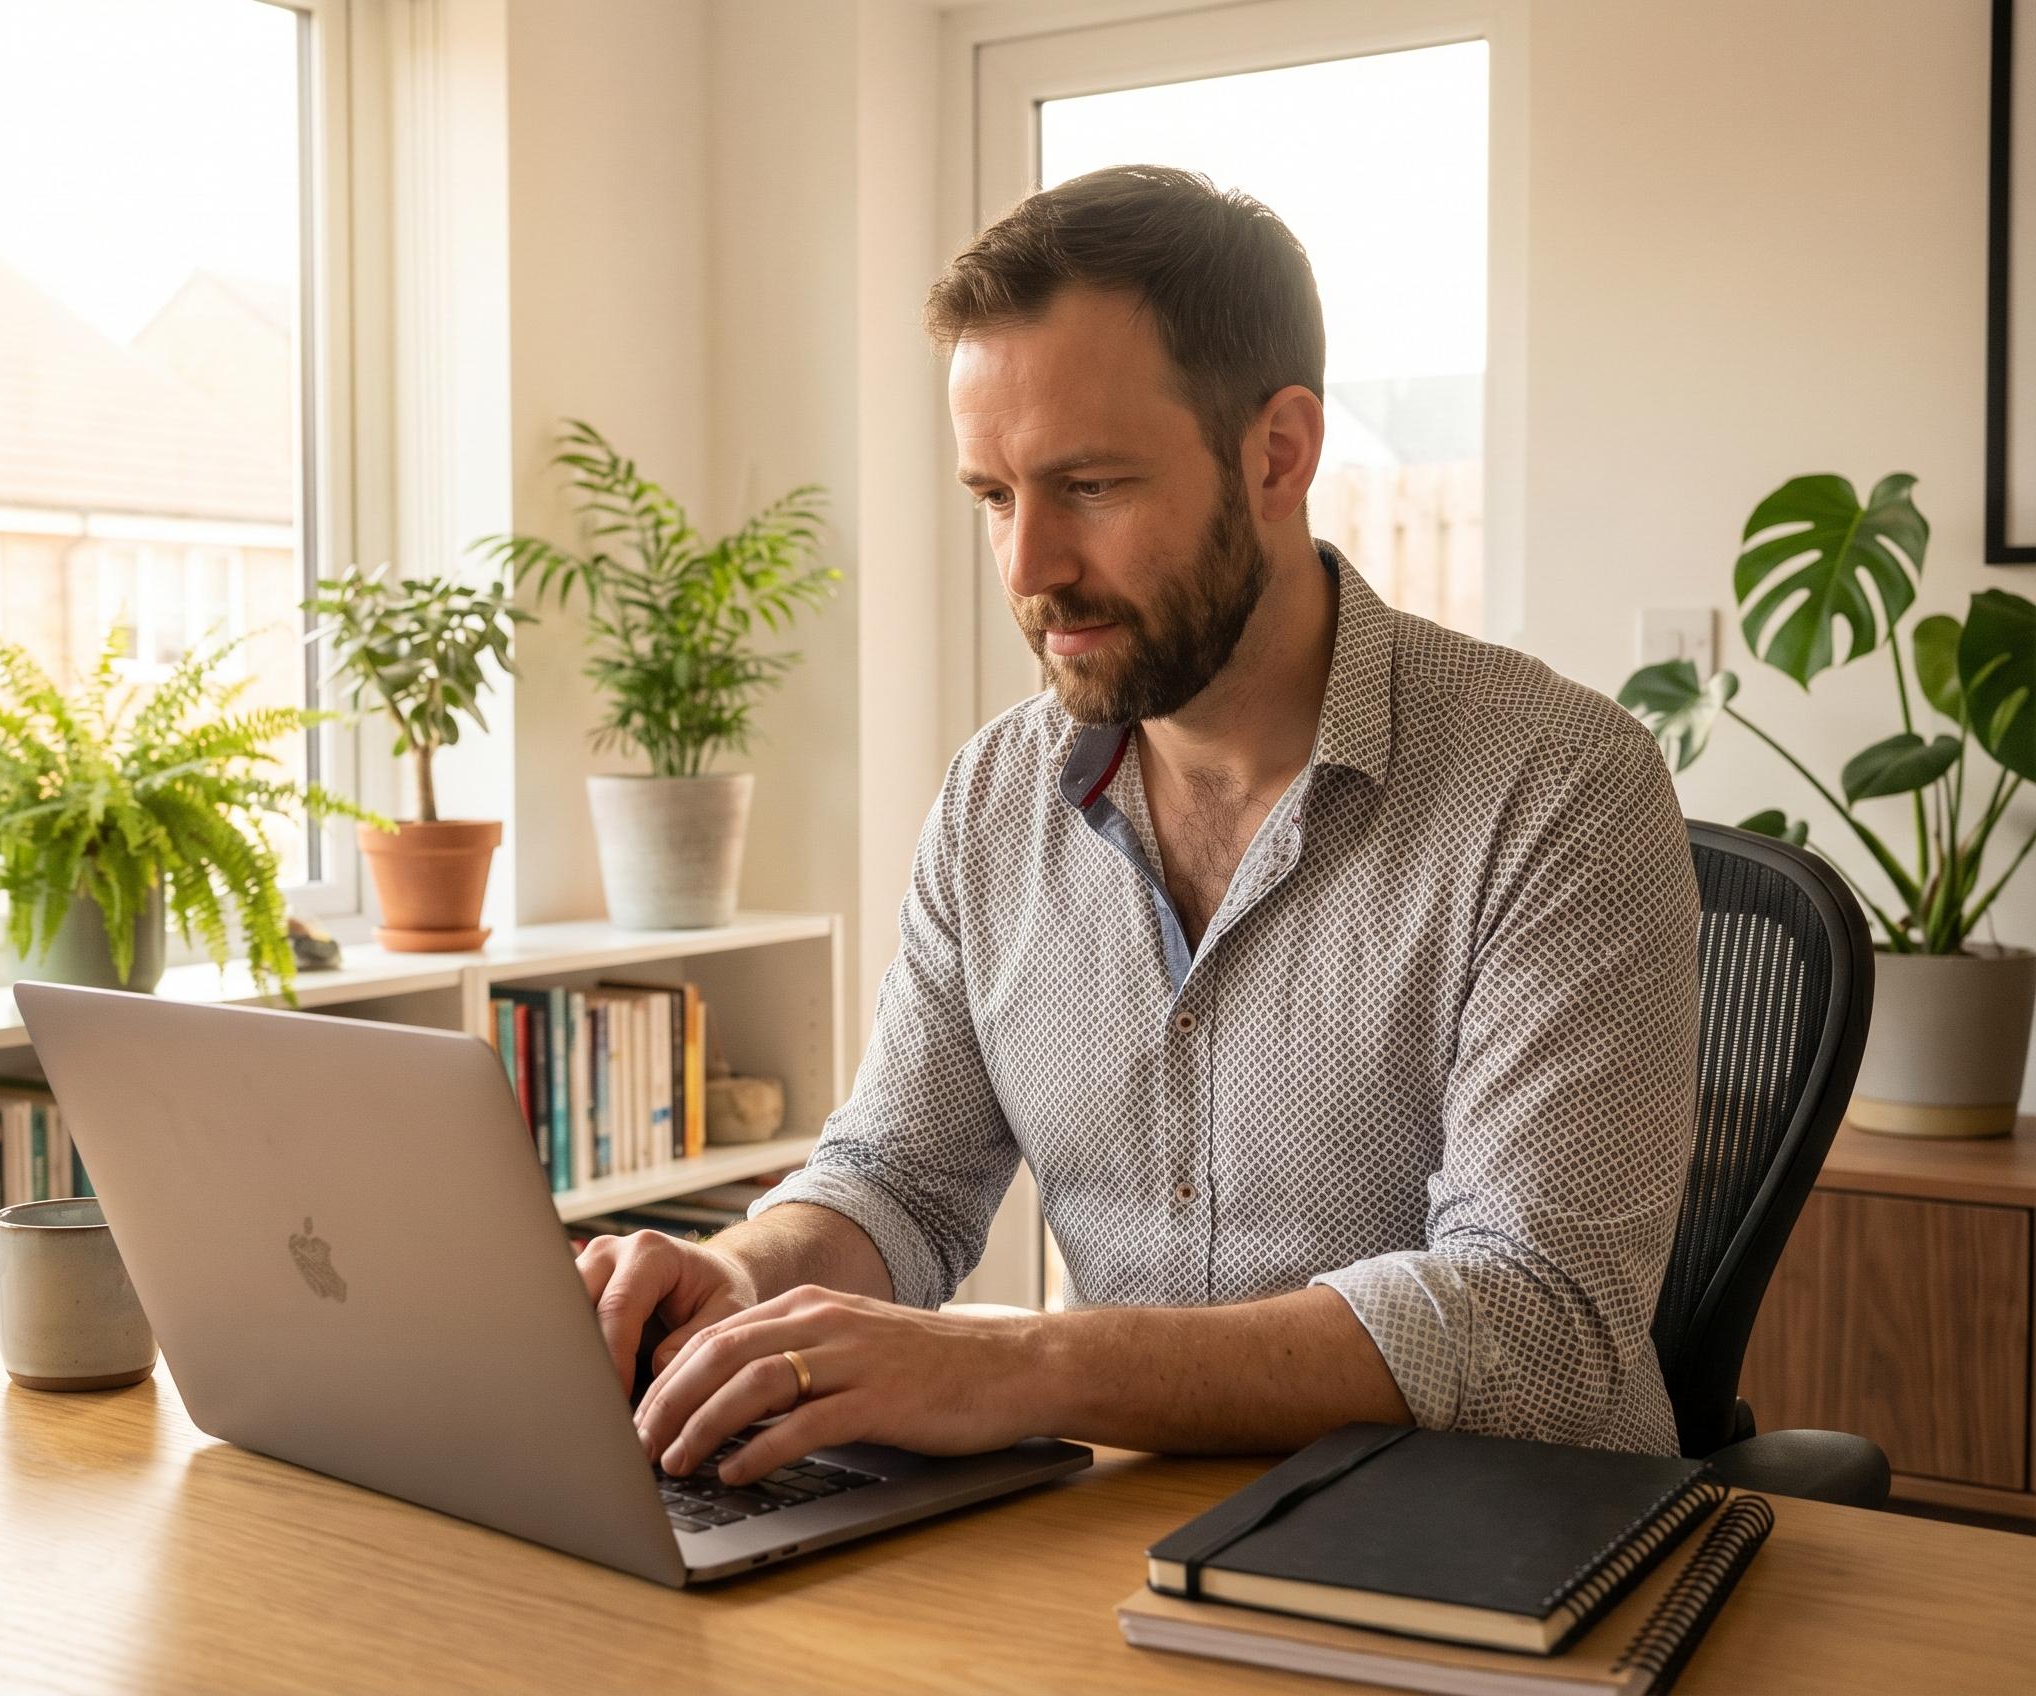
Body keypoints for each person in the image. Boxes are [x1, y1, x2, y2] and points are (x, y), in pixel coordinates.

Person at [585, 165, 1700, 1490]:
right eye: (994, 497)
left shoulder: (1561, 786)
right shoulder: (996, 800)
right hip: (1119, 1554)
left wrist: (1018, 1369)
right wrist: (738, 1278)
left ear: (1278, 454)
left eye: (1091, 486)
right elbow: (898, 1174)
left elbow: (1535, 1324)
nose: (1028, 568)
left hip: (1485, 1555)